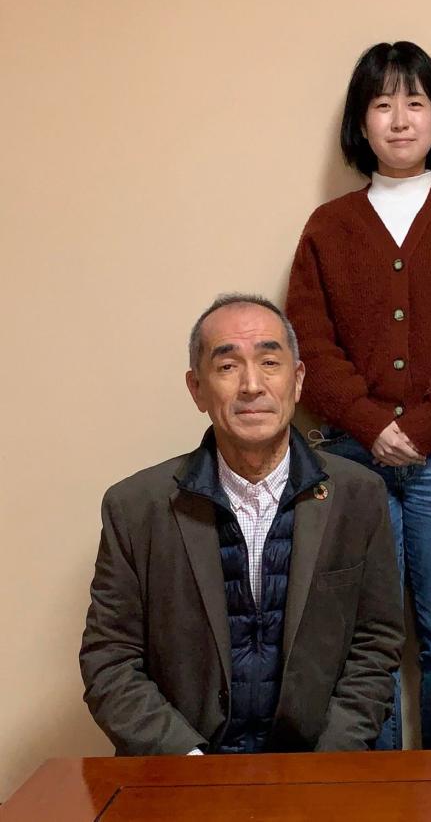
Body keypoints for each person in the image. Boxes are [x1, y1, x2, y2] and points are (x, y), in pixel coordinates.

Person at [285, 41, 431, 749]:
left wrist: (424, 426)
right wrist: (369, 423)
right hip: (351, 459)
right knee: (364, 637)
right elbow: (308, 340)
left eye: (415, 102)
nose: (400, 119)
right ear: (362, 122)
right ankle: (375, 785)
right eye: (382, 104)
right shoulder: (328, 227)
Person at [80, 295, 404, 755]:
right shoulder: (135, 507)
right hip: (184, 767)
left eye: (270, 363)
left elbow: (376, 644)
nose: (252, 385)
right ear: (197, 388)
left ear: (298, 380)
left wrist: (329, 760)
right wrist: (189, 763)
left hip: (315, 764)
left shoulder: (359, 496)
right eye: (228, 366)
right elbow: (109, 659)